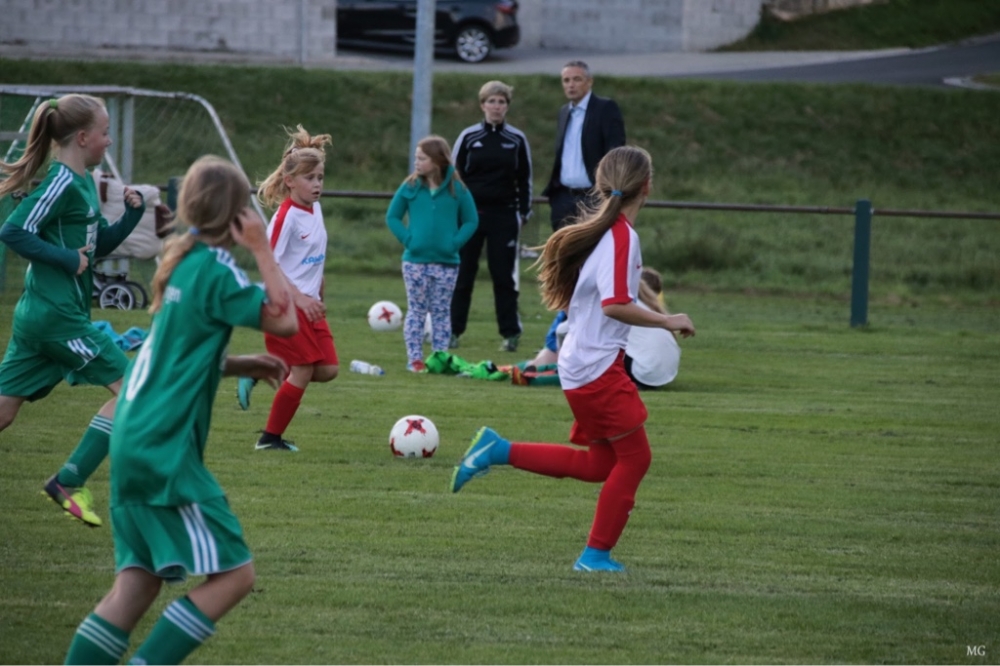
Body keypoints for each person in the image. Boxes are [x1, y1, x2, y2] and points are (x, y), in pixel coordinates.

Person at [63, 155, 297, 665]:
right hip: (163, 449)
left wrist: (235, 363)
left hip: (133, 435)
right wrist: (262, 247)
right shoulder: (215, 269)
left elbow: (173, 356)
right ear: (236, 216)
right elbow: (285, 321)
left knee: (137, 585)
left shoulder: (181, 262)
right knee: (235, 575)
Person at [450, 146, 696, 573]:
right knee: (636, 459)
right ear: (647, 186)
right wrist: (666, 319)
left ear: (603, 184)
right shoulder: (622, 237)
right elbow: (615, 305)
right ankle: (594, 556)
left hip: (583, 364)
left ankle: (498, 450)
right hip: (596, 368)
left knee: (601, 464)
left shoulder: (607, 232)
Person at [0, 94, 146, 527]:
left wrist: (131, 218)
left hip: (43, 317)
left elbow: (94, 247)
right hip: (59, 318)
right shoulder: (62, 181)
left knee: (4, 410)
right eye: (105, 133)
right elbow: (13, 230)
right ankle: (68, 481)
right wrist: (66, 260)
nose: (109, 141)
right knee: (134, 392)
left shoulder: (83, 182)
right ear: (83, 138)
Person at [236, 125, 338, 452]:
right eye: (310, 178)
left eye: (320, 177)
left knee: (328, 369)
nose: (317, 184)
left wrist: (318, 286)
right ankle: (270, 439)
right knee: (303, 370)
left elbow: (311, 255)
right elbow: (271, 264)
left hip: (310, 302)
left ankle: (260, 367)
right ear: (290, 181)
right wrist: (299, 298)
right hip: (288, 304)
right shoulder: (286, 217)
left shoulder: (315, 207)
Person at [450, 80, 533, 353]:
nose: (496, 107)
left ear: (507, 106)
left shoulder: (517, 139)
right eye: (491, 101)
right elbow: (454, 176)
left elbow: (525, 179)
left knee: (503, 277)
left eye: (501, 102)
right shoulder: (469, 137)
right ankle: (452, 331)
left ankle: (510, 334)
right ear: (482, 105)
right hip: (470, 216)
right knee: (463, 275)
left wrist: (523, 212)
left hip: (504, 216)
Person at [386, 135, 478, 373]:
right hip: (414, 263)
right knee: (416, 311)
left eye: (422, 158)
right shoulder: (410, 187)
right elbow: (392, 216)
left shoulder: (458, 189)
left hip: (447, 264)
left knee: (441, 312)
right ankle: (415, 360)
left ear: (437, 161)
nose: (416, 162)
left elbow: (471, 220)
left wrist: (454, 244)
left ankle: (440, 358)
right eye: (416, 158)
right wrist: (409, 240)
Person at [542, 60, 626, 233]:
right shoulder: (564, 112)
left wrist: (609, 191)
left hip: (592, 196)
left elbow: (615, 151)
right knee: (563, 247)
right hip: (564, 197)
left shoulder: (604, 108)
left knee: (593, 246)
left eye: (577, 79)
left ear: (589, 81)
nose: (571, 85)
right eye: (566, 80)